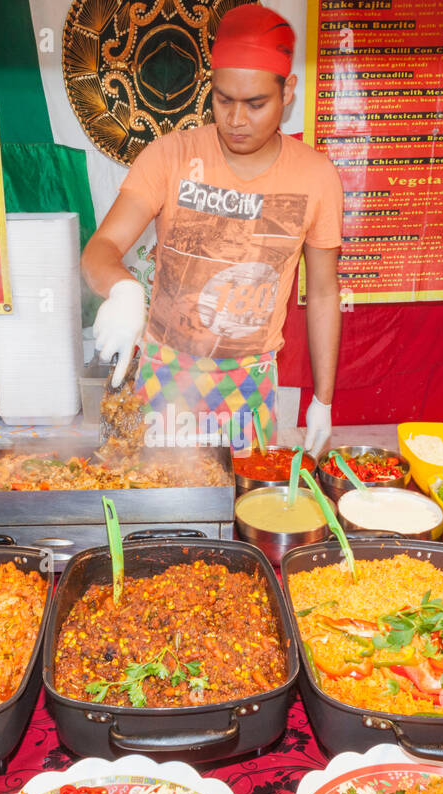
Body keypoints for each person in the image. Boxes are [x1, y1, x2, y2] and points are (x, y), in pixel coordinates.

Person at [80, 5, 342, 456]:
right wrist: (123, 292)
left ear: (288, 92)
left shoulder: (316, 177)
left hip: (249, 382)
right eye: (223, 100)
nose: (237, 119)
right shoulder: (170, 156)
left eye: (256, 103)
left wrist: (323, 398)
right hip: (164, 373)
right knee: (157, 510)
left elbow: (321, 292)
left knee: (244, 511)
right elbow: (101, 248)